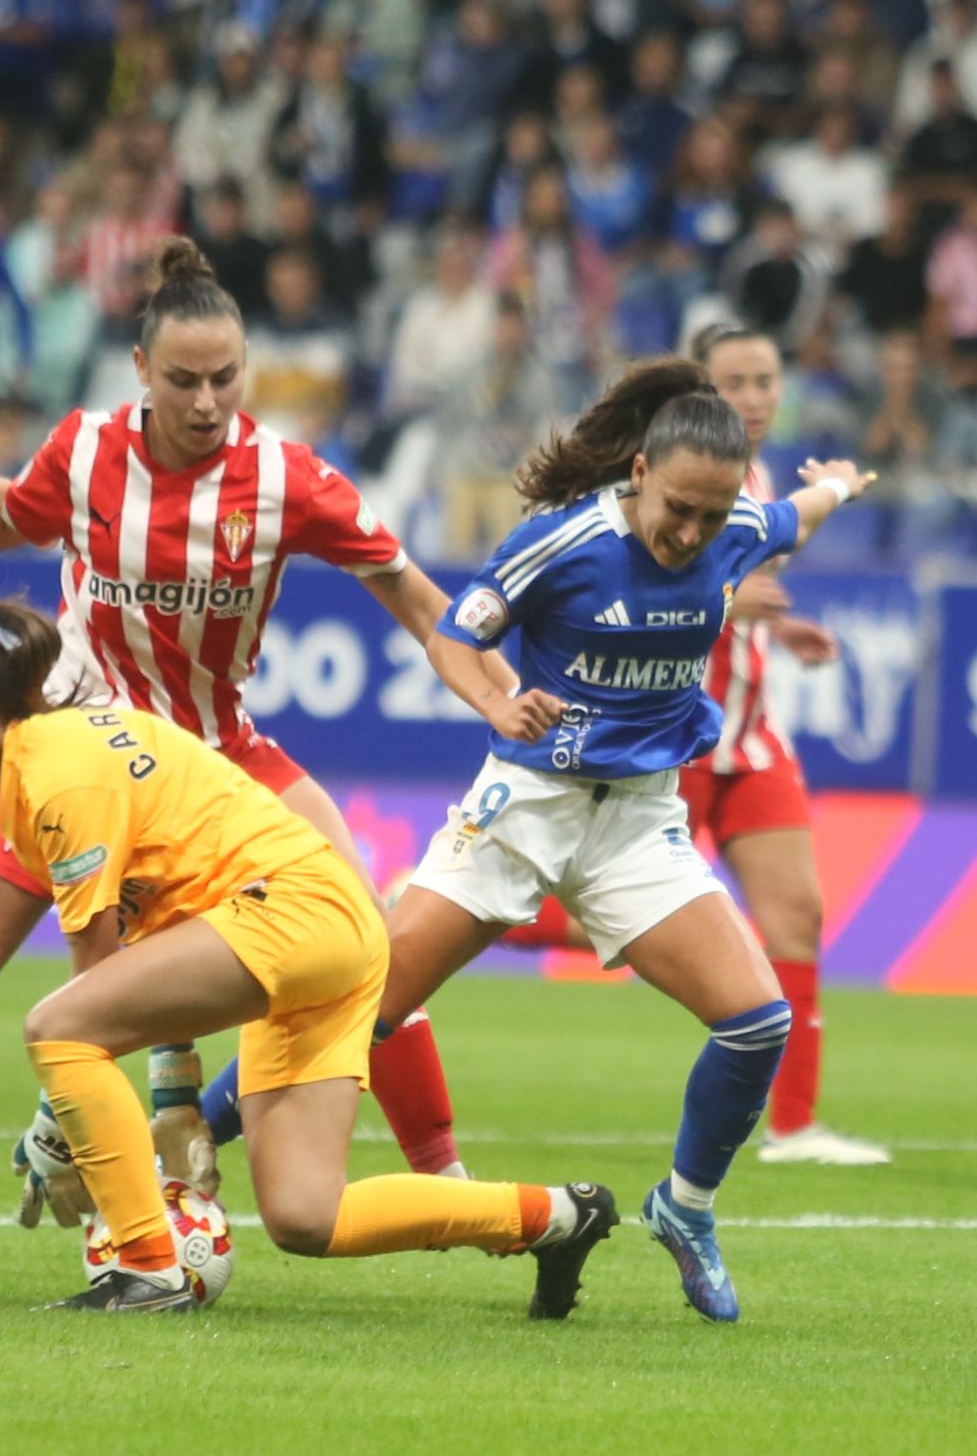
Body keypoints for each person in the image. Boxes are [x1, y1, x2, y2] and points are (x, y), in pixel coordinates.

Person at [0, 238, 490, 1277]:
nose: (208, 402)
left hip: (215, 757)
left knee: (366, 937)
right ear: (141, 371)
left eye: (227, 379)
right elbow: (2, 520)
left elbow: (415, 594)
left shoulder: (286, 478)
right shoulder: (88, 450)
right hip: (80, 751)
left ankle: (444, 1178)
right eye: (186, 380)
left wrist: (489, 688)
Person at [0, 601, 618, 1314]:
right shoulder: (63, 753)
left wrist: (55, 1128)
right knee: (305, 1214)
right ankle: (557, 1214)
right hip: (329, 928)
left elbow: (96, 990)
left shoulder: (56, 781)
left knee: (56, 1028)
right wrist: (169, 1098)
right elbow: (153, 954)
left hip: (292, 913)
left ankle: (145, 1265)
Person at [372, 359, 877, 1323]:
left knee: (757, 1018)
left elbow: (794, 517)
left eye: (712, 514)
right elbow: (451, 629)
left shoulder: (734, 528)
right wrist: (494, 698)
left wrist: (840, 486)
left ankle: (685, 1210)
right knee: (362, 1009)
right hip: (524, 806)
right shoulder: (562, 541)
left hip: (641, 820)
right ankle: (187, 1138)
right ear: (641, 470)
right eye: (679, 507)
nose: (692, 533)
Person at [683, 325, 891, 1165]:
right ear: (698, 392)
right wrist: (835, 492)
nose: (756, 396)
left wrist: (779, 624)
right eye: (735, 381)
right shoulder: (681, 474)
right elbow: (658, 584)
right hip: (680, 736)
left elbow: (739, 582)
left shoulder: (758, 473)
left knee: (797, 915)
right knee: (592, 925)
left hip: (752, 738)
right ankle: (433, 909)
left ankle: (795, 1126)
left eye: (767, 379)